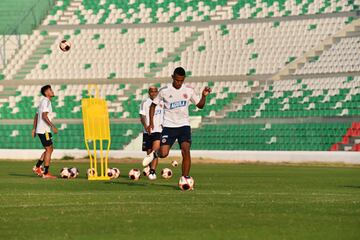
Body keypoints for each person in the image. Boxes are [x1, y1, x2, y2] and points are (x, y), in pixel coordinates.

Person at [143, 67, 211, 180]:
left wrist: (203, 96)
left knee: (186, 150)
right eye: (177, 80)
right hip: (169, 127)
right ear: (172, 77)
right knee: (164, 153)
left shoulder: (188, 90)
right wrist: (150, 123)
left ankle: (185, 178)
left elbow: (200, 105)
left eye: (181, 80)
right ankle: (155, 154)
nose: (179, 83)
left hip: (184, 126)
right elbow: (153, 106)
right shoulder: (164, 91)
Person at [31, 85, 58, 179]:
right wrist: (52, 126)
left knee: (49, 149)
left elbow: (36, 115)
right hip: (44, 130)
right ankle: (45, 173)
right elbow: (43, 116)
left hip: (41, 130)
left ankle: (37, 167)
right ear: (46, 93)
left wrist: (34, 128)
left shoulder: (42, 101)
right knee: (49, 150)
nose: (52, 91)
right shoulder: (46, 101)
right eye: (50, 90)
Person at [139, 86, 164, 180]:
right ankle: (150, 169)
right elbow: (142, 116)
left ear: (157, 92)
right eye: (151, 91)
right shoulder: (144, 103)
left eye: (155, 91)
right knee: (149, 153)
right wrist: (146, 126)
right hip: (147, 132)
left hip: (158, 130)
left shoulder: (162, 102)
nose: (153, 93)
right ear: (149, 93)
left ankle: (153, 172)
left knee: (154, 151)